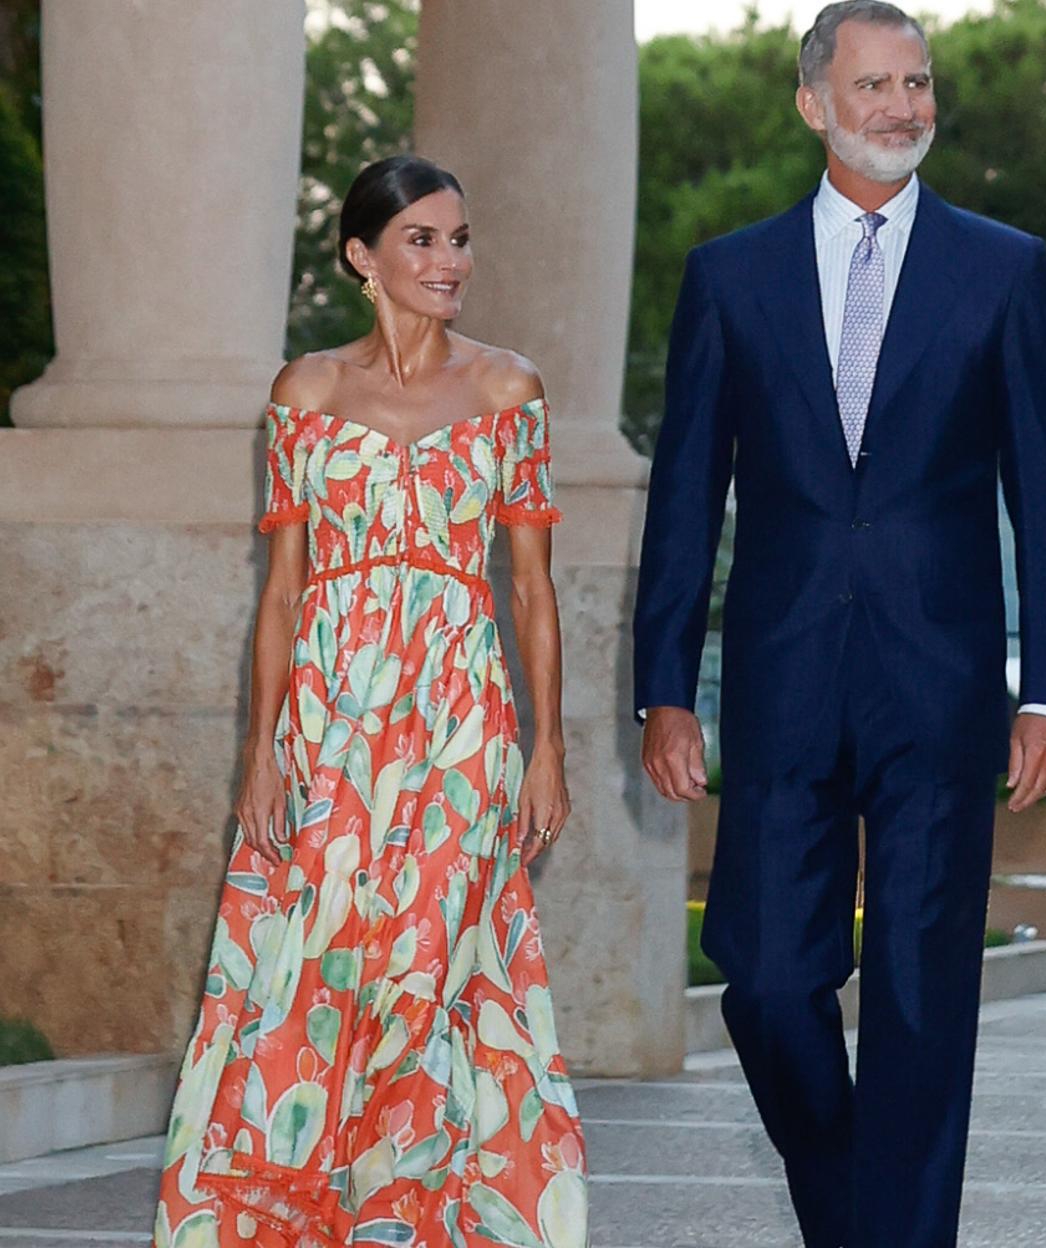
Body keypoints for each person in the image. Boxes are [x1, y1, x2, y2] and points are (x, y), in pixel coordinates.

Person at [633, 3, 1046, 1245]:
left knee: (923, 999)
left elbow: (1045, 496)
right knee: (769, 983)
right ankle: (857, 1218)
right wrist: (665, 685)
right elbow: (687, 496)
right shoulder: (730, 275)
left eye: (917, 82)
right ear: (813, 104)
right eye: (875, 84)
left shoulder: (1004, 269)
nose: (903, 106)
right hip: (781, 680)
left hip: (943, 686)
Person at [151, 155, 589, 1248]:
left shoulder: (510, 390)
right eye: (422, 240)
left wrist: (547, 750)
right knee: (318, 964)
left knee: (433, 965)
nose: (451, 261)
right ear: (363, 255)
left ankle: (417, 1218)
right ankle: (309, 1216)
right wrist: (261, 755)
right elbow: (281, 593)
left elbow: (532, 592)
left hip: (459, 723)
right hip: (330, 722)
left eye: (460, 239)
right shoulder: (305, 392)